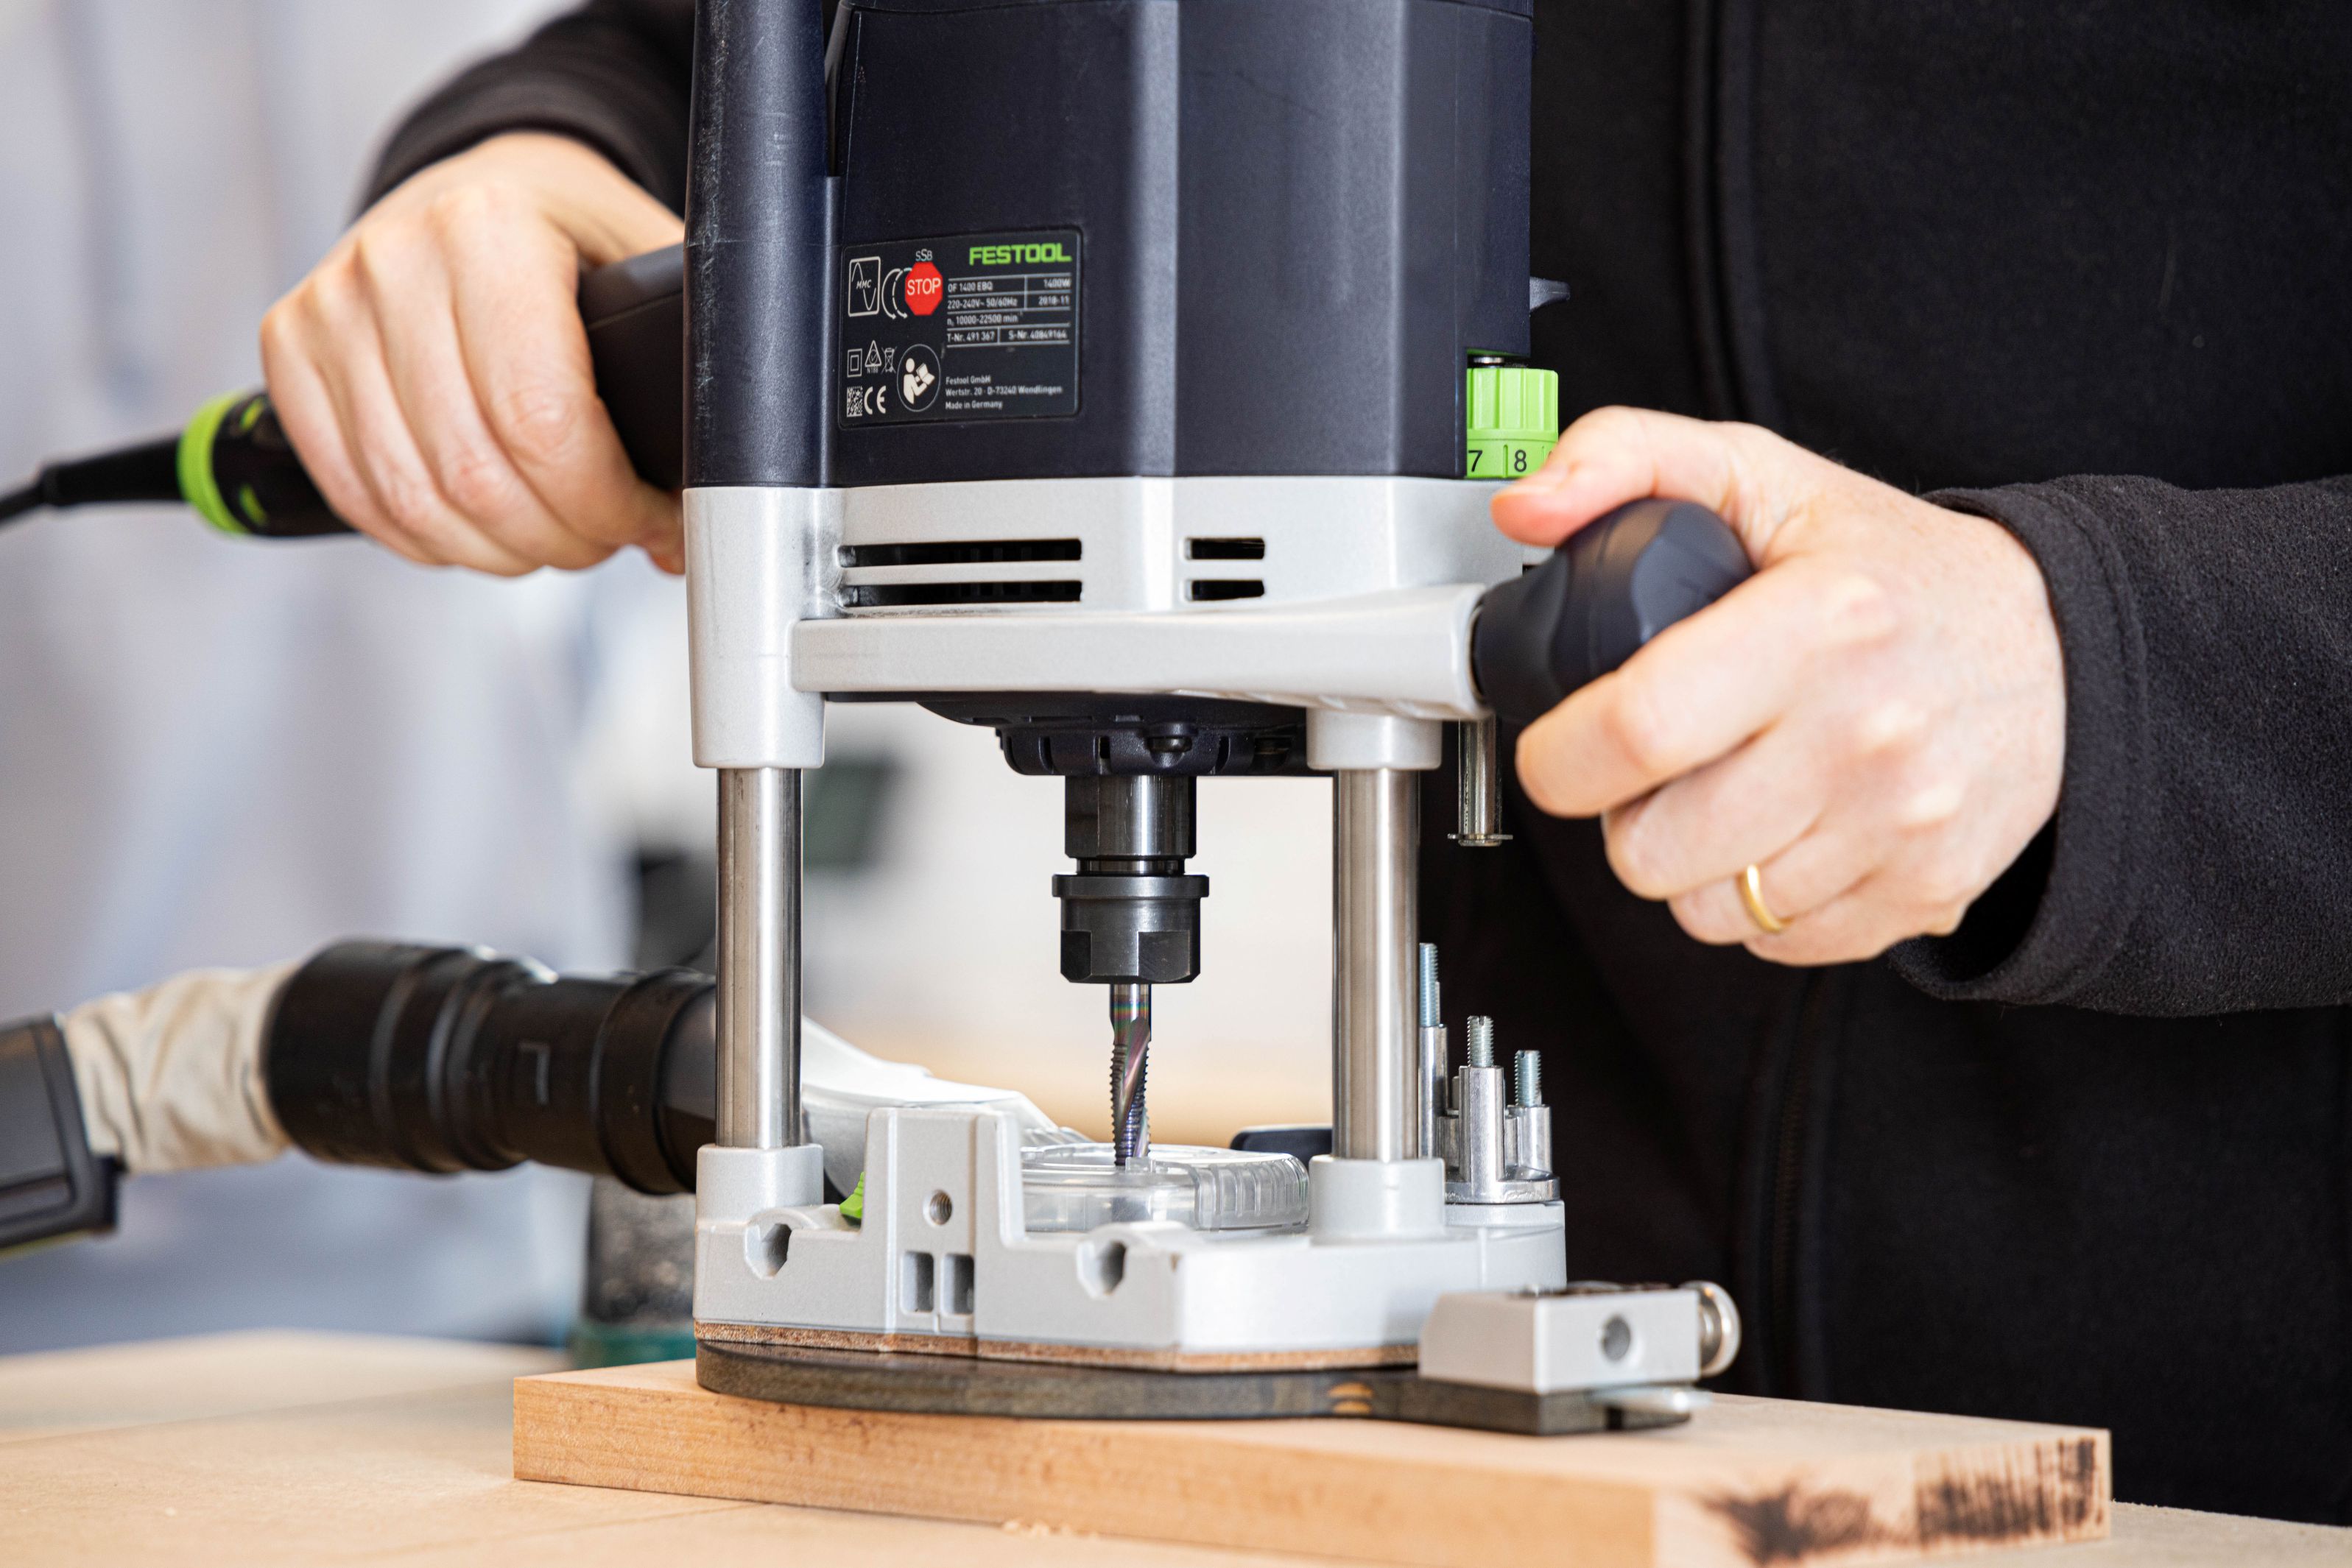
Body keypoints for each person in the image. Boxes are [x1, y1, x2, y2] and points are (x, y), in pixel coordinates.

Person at [255, 0, 2352, 1523]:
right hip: (1507, 1434)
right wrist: (524, 162)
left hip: (2238, 1461)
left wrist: (2108, 669)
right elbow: (768, 54)